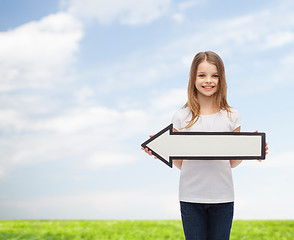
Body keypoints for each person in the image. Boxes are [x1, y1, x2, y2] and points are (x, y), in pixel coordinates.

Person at [142, 51, 268, 240]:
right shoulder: (181, 116)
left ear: (221, 79)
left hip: (223, 197)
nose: (208, 80)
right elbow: (181, 163)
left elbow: (232, 162)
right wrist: (161, 151)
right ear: (193, 78)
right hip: (190, 197)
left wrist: (251, 149)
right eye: (202, 75)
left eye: (214, 75)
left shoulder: (231, 116)